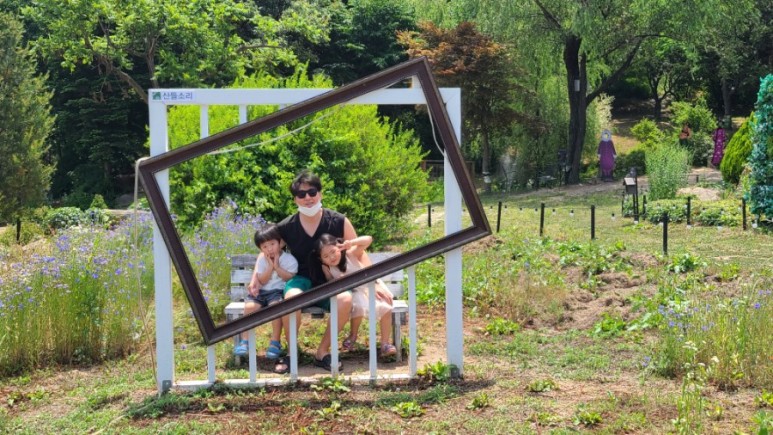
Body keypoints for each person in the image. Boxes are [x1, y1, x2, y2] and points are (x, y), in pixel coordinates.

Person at [270, 170, 357, 373]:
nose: (307, 198)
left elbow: (357, 251)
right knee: (291, 297)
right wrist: (257, 278)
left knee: (345, 299)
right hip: (300, 279)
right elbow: (269, 248)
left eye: (312, 192)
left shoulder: (338, 221)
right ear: (295, 200)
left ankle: (323, 353)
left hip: (331, 280)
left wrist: (375, 282)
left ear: (320, 193)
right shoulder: (286, 226)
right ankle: (292, 354)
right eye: (301, 195)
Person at [311, 234, 397, 357]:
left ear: (338, 247)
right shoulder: (327, 267)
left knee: (386, 308)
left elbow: (368, 240)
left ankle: (385, 343)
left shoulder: (350, 253)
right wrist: (337, 281)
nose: (331, 257)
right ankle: (353, 335)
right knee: (358, 306)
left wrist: (350, 243)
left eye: (333, 252)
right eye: (326, 256)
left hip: (370, 286)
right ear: (321, 259)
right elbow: (330, 282)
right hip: (355, 291)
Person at [238, 224, 298, 367]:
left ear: (280, 243)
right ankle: (244, 340)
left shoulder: (289, 260)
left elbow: (288, 278)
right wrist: (270, 266)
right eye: (265, 247)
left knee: (275, 309)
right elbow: (262, 280)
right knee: (249, 307)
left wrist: (277, 266)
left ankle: (275, 342)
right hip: (262, 292)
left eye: (272, 244)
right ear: (260, 249)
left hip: (276, 292)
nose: (269, 249)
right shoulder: (262, 260)